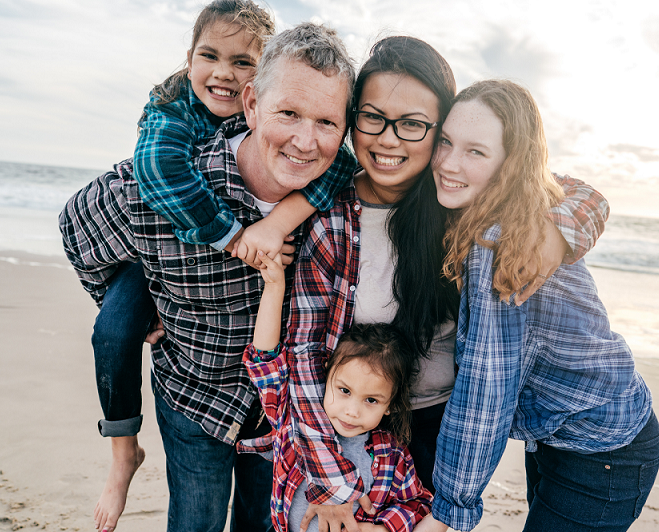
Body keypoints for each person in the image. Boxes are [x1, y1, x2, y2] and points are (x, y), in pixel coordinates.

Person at [285, 36, 611, 532]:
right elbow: (303, 354)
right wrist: (329, 481)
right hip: (350, 422)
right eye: (372, 117)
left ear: (441, 130)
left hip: (446, 427)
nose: (389, 140)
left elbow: (566, 190)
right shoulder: (329, 215)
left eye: (414, 125)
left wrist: (557, 233)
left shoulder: (461, 196)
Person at [60, 22, 356, 532]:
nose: (306, 141)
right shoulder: (161, 189)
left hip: (281, 414)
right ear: (252, 105)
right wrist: (128, 306)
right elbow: (75, 231)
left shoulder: (340, 200)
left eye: (326, 122)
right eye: (288, 112)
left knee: (262, 525)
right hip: (194, 401)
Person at [417, 79, 659, 532]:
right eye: (446, 142)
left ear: (512, 163)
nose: (449, 163)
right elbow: (579, 189)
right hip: (560, 434)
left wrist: (450, 510)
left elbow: (486, 390)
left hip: (604, 450)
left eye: (476, 152)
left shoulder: (499, 242)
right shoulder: (510, 205)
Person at [237, 250, 432, 532]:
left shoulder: (391, 453)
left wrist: (383, 528)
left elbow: (418, 503)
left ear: (390, 404)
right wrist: (275, 286)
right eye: (344, 390)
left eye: (371, 400)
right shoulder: (293, 422)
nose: (352, 411)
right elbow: (265, 360)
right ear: (326, 373)